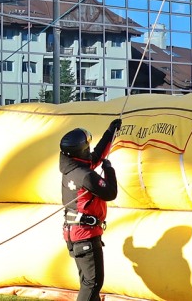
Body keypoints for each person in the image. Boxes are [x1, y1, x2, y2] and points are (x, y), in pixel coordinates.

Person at [60, 118, 122, 301]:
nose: (89, 149)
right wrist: (109, 170)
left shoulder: (71, 167)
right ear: (81, 150)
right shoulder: (85, 175)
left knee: (88, 284)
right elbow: (110, 192)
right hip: (85, 234)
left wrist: (110, 133)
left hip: (75, 234)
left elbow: (94, 158)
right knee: (92, 283)